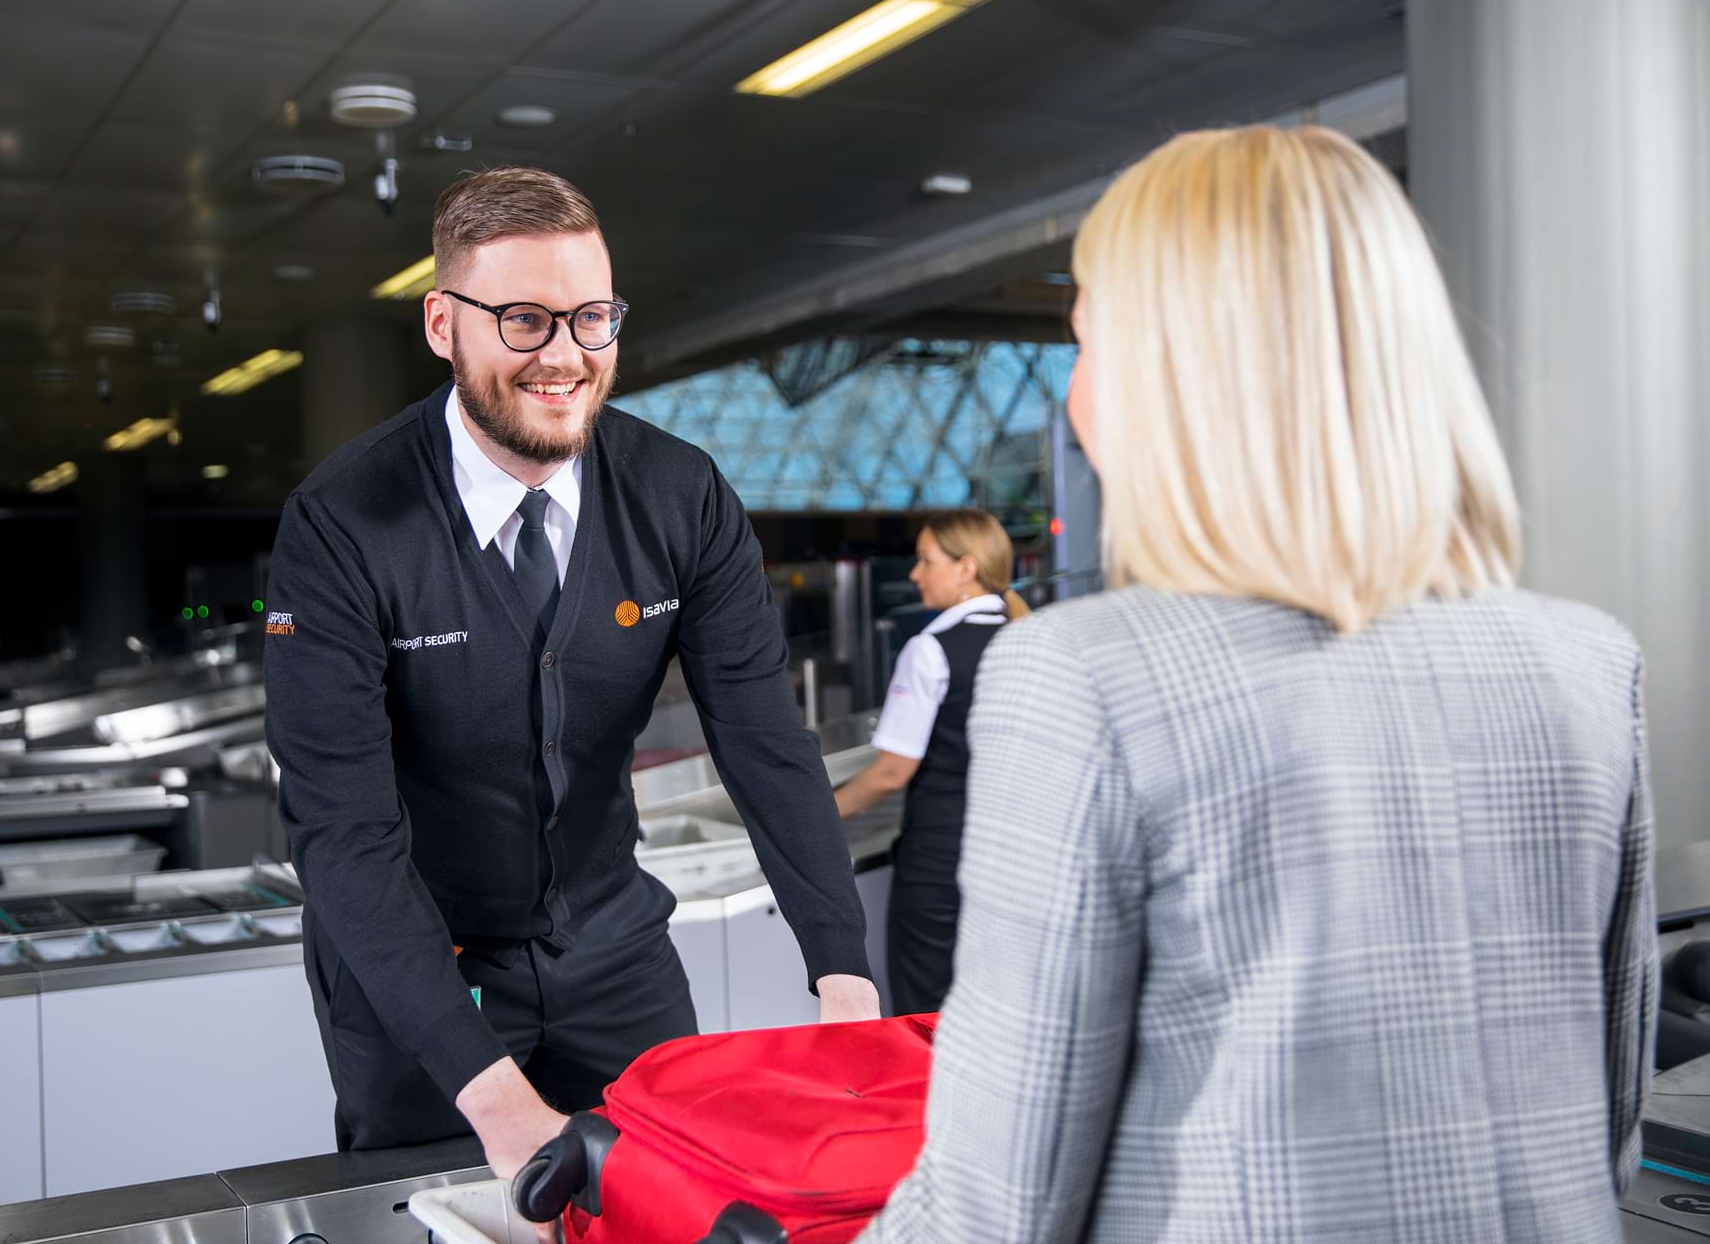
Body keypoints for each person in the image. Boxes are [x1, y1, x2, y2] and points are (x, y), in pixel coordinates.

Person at [860, 125, 1654, 1242]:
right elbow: (1605, 1117)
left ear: (1179, 378)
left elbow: (996, 1205)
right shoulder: (1584, 661)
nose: (1079, 399)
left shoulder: (1086, 677)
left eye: (1087, 343)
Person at [264, 167, 879, 1178]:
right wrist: (495, 1092)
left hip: (614, 948)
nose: (566, 357)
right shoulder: (343, 522)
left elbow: (765, 742)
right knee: (441, 1209)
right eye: (522, 319)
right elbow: (342, 831)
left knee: (667, 1193)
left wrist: (843, 971)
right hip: (423, 972)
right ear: (440, 324)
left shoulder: (681, 495)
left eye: (592, 317)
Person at [833, 509, 1029, 1014]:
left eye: (925, 561)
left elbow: (891, 773)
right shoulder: (1032, 640)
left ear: (966, 568)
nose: (915, 574)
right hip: (1018, 857)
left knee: (927, 1020)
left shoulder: (931, 650)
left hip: (944, 863)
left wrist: (813, 819)